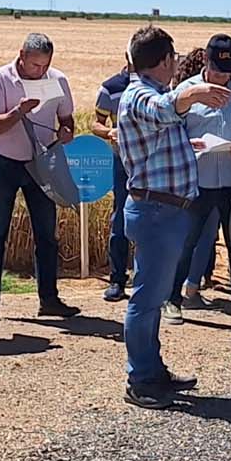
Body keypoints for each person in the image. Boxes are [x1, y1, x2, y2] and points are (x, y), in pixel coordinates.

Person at [118, 26, 228, 410]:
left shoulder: (152, 92)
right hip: (157, 211)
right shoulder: (140, 96)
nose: (178, 62)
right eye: (174, 57)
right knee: (147, 299)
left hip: (164, 210)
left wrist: (186, 142)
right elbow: (160, 111)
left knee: (153, 295)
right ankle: (141, 379)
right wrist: (191, 92)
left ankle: (152, 370)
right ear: (164, 60)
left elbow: (160, 129)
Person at [0, 33, 82, 320]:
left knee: (46, 233)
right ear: (21, 55)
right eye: (35, 65)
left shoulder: (57, 80)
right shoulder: (0, 79)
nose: (40, 71)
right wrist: (18, 112)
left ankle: (48, 299)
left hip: (41, 163)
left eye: (45, 65)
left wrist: (67, 131)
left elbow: (67, 117)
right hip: (4, 162)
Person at [170, 34, 231, 319]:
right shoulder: (186, 91)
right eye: (216, 72)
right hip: (197, 181)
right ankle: (172, 298)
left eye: (227, 73)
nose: (222, 78)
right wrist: (188, 145)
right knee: (186, 241)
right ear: (205, 62)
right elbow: (172, 132)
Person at [92, 64, 138, 303]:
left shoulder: (160, 85)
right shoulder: (111, 87)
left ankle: (145, 280)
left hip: (150, 161)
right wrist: (109, 132)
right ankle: (117, 279)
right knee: (119, 217)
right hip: (121, 160)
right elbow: (95, 123)